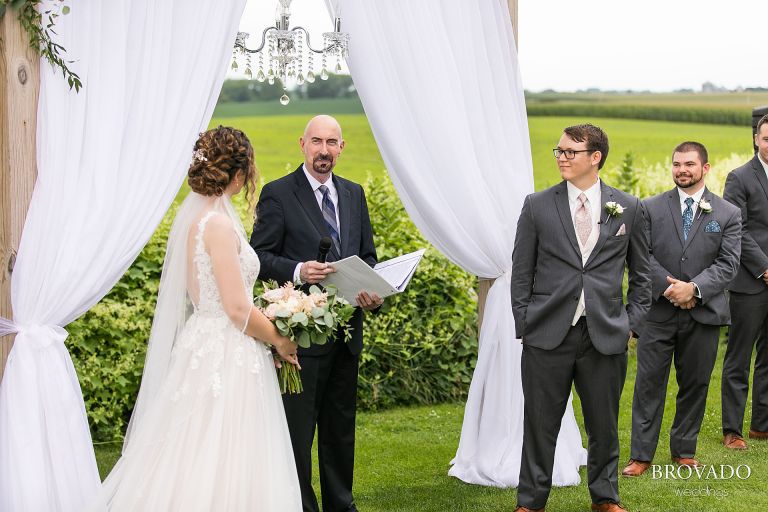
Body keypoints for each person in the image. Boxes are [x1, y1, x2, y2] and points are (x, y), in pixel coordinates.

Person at [87, 127, 302, 511]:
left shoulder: (198, 218)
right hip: (227, 349)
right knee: (224, 451)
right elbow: (236, 309)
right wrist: (279, 338)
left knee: (193, 447)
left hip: (204, 340)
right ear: (238, 173)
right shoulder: (217, 224)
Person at [511, 124, 651, 512]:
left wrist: (630, 325)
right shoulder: (537, 205)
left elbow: (641, 275)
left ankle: (605, 498)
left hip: (606, 334)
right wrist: (526, 322)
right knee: (540, 424)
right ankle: (531, 502)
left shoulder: (630, 208)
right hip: (547, 333)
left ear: (595, 158)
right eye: (558, 151)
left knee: (603, 425)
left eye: (571, 152)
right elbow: (521, 271)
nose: (561, 158)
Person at [250, 115, 381, 512]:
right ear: (302, 144)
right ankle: (300, 505)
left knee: (340, 432)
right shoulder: (278, 194)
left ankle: (342, 505)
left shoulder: (354, 194)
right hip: (300, 338)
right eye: (316, 142)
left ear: (341, 147)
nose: (324, 150)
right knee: (298, 432)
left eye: (332, 143)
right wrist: (298, 270)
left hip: (346, 335)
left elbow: (369, 256)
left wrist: (372, 291)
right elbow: (257, 256)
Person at [622, 142, 741, 477]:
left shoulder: (727, 213)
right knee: (648, 384)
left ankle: (684, 450)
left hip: (703, 314)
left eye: (689, 164)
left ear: (705, 168)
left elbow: (728, 264)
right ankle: (641, 456)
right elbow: (640, 255)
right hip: (658, 313)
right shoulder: (649, 207)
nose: (682, 170)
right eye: (676, 164)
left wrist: (695, 289)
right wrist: (671, 288)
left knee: (695, 383)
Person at [721, 113, 768, 450]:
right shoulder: (739, 178)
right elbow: (739, 230)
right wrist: (766, 268)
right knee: (739, 357)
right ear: (756, 139)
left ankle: (761, 426)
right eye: (767, 138)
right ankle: (732, 430)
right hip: (750, 281)